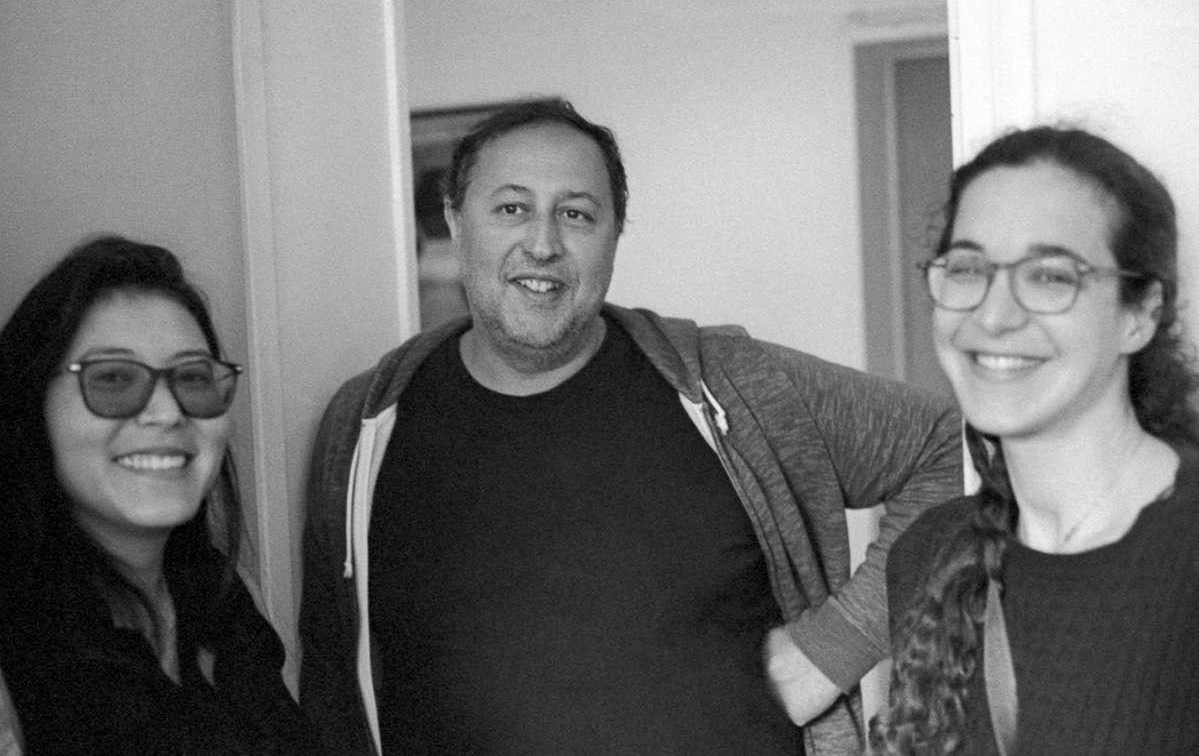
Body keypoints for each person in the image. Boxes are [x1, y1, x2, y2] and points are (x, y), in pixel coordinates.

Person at [300, 98, 962, 756]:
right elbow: (332, 690)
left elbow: (951, 446)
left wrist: (835, 646)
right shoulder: (364, 429)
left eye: (576, 214)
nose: (542, 244)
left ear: (615, 234)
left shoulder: (733, 386)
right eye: (511, 209)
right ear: (454, 221)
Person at [871, 127, 1199, 755]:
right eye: (967, 269)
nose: (994, 317)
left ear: (1140, 315)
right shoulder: (926, 556)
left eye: (1049, 276)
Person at [0, 236, 322, 754]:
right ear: (32, 409)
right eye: (113, 378)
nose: (169, 412)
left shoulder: (226, 601)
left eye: (192, 377)